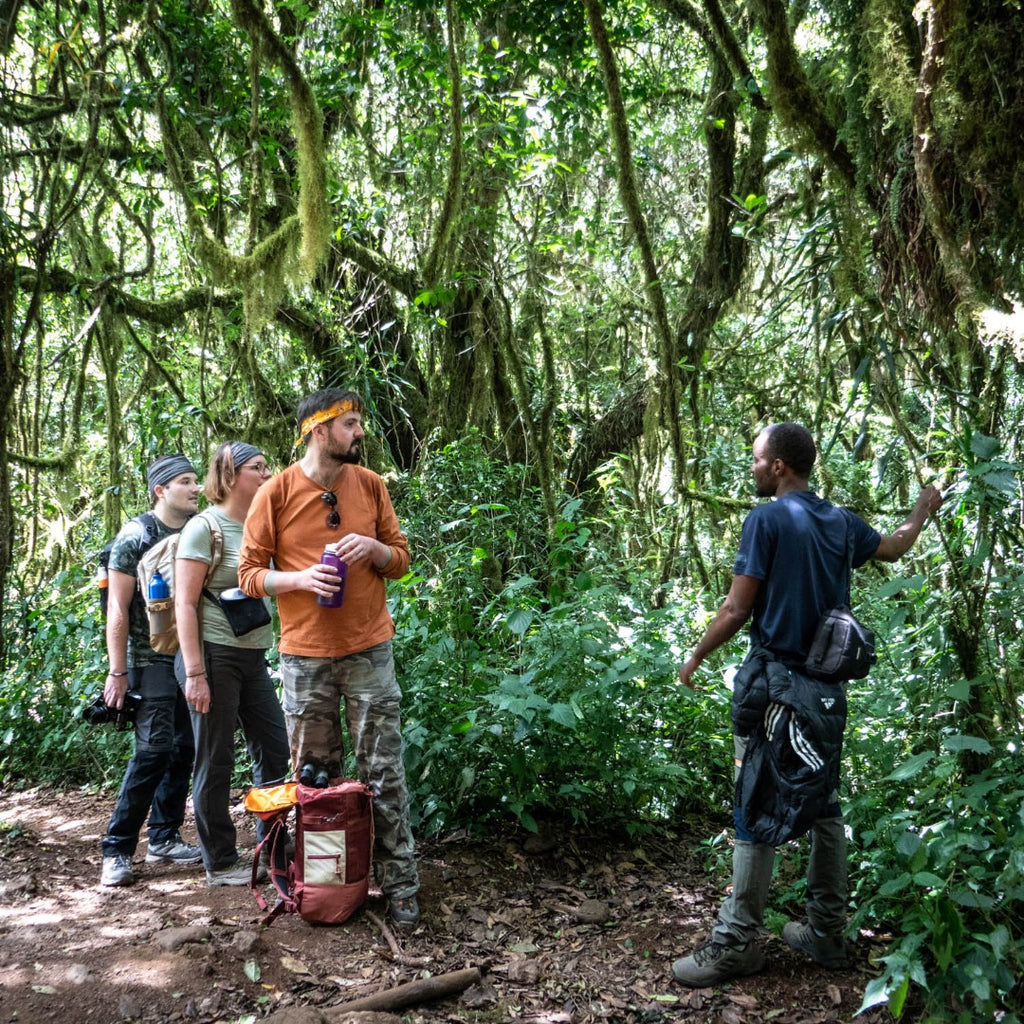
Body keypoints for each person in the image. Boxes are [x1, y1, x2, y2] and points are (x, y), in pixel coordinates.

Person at [672, 423, 943, 986]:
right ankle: (826, 932)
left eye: (755, 459)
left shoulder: (766, 519)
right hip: (826, 693)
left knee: (754, 804)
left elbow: (736, 608)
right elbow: (894, 546)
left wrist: (695, 655)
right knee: (822, 802)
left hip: (775, 688)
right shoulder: (840, 522)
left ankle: (738, 942)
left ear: (778, 467)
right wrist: (922, 508)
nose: (750, 467)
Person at [238, 388, 420, 928]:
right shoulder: (275, 493)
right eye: (351, 424)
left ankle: (401, 885)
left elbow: (402, 560)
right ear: (320, 430)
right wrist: (298, 578)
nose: (360, 432)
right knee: (317, 779)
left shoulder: (371, 485)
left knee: (384, 771)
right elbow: (248, 576)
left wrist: (377, 551)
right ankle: (329, 887)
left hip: (369, 650)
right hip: (304, 657)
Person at [174, 441, 291, 886]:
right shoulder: (204, 528)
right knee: (215, 757)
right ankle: (220, 861)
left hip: (253, 654)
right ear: (229, 475)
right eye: (257, 468)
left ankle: (273, 843)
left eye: (267, 466)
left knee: (275, 748)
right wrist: (196, 673)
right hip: (212, 654)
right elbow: (185, 603)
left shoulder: (263, 523)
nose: (266, 474)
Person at [100, 454, 203, 887]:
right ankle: (116, 849)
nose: (196, 488)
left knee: (184, 749)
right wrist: (117, 672)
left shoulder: (197, 531)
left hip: (188, 657)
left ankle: (163, 837)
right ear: (161, 490)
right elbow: (117, 611)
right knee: (153, 750)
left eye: (197, 480)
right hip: (148, 660)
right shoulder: (135, 536)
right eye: (185, 482)